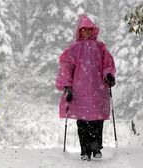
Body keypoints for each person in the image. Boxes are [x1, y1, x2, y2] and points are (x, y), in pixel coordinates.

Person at [55, 15, 116, 161]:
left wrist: (109, 75)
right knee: (82, 121)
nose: (87, 33)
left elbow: (108, 64)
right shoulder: (74, 49)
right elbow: (66, 67)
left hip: (97, 90)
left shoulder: (100, 47)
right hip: (80, 91)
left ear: (93, 31)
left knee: (97, 119)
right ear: (80, 31)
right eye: (84, 30)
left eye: (89, 30)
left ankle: (96, 148)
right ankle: (85, 151)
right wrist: (67, 85)